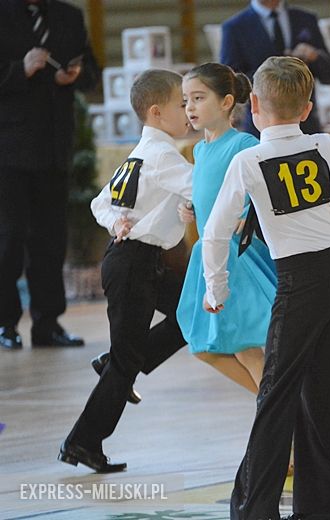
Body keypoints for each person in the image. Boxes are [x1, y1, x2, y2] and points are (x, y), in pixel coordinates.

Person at [201, 56, 330, 520]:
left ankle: (256, 511)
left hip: (300, 283)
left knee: (275, 396)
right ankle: (323, 509)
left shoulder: (248, 160)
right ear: (307, 106)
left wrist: (217, 291)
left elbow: (216, 233)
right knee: (329, 398)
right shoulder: (324, 145)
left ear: (253, 104)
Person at [59, 70, 193, 473]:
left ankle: (118, 363)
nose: (188, 111)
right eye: (181, 105)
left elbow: (100, 203)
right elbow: (206, 187)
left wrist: (116, 220)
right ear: (156, 112)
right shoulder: (162, 155)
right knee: (126, 361)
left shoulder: (140, 154)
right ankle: (82, 442)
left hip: (139, 262)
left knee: (191, 314)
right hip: (133, 264)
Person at [0, 0, 99, 349]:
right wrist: (18, 70)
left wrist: (72, 75)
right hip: (8, 149)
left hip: (54, 146)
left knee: (50, 241)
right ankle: (4, 324)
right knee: (8, 239)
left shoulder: (67, 15)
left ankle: (48, 323)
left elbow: (92, 71)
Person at [175, 63, 277, 394]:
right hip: (208, 253)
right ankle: (276, 413)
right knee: (205, 348)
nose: (189, 107)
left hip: (236, 255)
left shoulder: (244, 144)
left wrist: (246, 214)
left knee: (247, 349)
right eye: (186, 100)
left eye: (199, 98)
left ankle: (280, 428)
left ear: (226, 102)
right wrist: (191, 206)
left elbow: (262, 191)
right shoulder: (199, 149)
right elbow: (210, 192)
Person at [220, 0, 330, 137]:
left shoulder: (306, 19)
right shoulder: (235, 27)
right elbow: (231, 81)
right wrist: (273, 74)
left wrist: (315, 57)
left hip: (305, 125)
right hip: (261, 128)